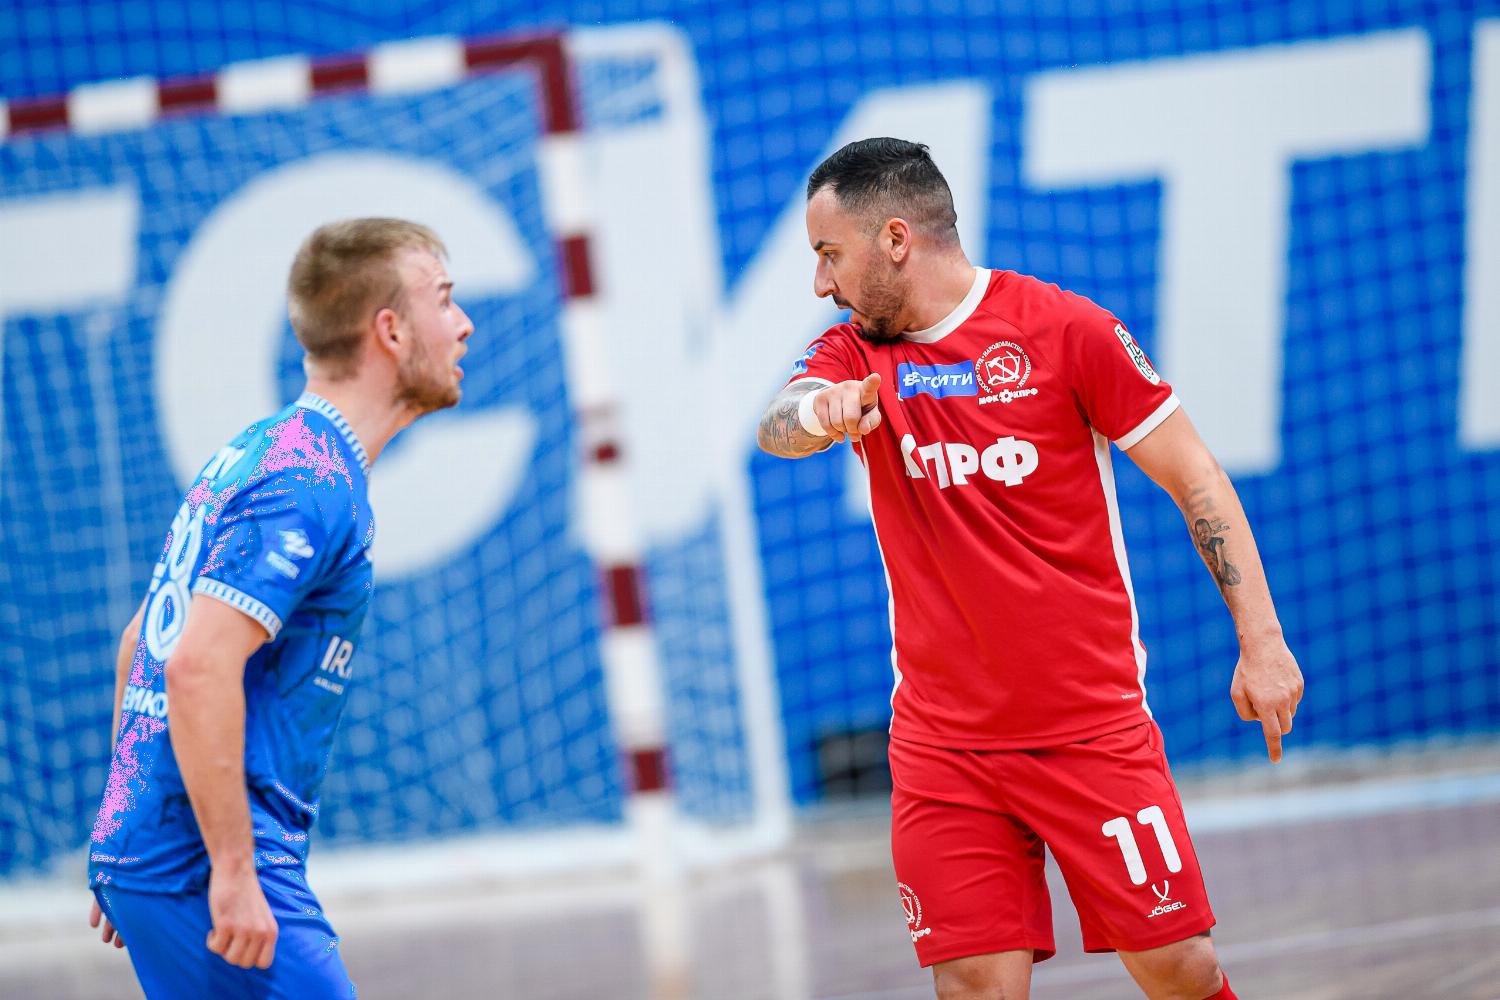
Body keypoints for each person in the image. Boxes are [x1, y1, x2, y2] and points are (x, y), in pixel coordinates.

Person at [757, 138, 1303, 1000]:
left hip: (1088, 726)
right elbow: (779, 423)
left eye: (830, 254)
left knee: (1180, 966)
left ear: (895, 239)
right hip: (943, 745)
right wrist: (820, 413)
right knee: (975, 983)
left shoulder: (1066, 329)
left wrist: (1262, 642)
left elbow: (1194, 476)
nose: (822, 283)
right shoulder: (854, 356)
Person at [86, 218, 473, 997]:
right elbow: (194, 663)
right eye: (443, 298)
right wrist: (231, 872)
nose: (462, 324)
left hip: (164, 853)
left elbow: (141, 641)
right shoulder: (308, 481)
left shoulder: (265, 448)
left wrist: (121, 831)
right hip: (201, 863)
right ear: (391, 331)